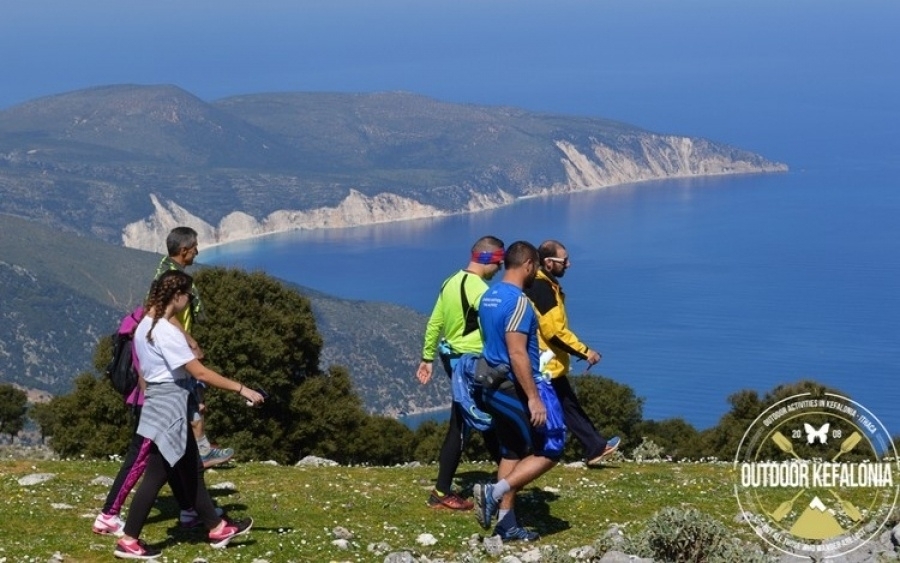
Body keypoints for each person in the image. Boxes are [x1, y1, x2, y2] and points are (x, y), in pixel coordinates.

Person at [113, 270, 265, 559]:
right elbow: (200, 371)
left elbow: (147, 372)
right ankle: (129, 540)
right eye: (189, 297)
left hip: (159, 401)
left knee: (188, 467)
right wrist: (242, 389)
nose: (190, 302)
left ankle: (217, 526)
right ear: (178, 296)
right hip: (171, 405)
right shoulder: (166, 332)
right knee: (156, 475)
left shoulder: (145, 325)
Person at [473, 241, 565, 542]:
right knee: (551, 448)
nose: (536, 271)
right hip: (515, 386)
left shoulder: (489, 296)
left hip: (491, 384)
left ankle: (506, 524)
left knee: (512, 451)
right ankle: (494, 491)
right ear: (528, 265)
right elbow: (517, 353)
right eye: (536, 266)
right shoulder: (519, 302)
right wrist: (534, 398)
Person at [416, 236, 505, 510]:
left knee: (485, 417)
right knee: (463, 424)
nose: (500, 269)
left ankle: (508, 474)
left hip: (452, 360)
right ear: (489, 259)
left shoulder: (450, 281)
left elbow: (435, 323)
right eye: (499, 263)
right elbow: (496, 328)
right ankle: (442, 492)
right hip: (474, 364)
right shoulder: (481, 290)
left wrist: (426, 357)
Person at [523, 240, 620, 467]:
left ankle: (595, 446)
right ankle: (535, 456)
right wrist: (585, 352)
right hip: (544, 361)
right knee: (555, 406)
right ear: (548, 263)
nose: (569, 264)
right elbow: (554, 331)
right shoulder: (542, 289)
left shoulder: (542, 285)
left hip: (544, 360)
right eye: (564, 261)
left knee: (567, 404)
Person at [155, 226, 234, 469]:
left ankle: (196, 450)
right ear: (184, 250)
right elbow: (165, 312)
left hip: (178, 343)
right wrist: (190, 340)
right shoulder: (170, 277)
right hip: (177, 345)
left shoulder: (168, 269)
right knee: (193, 397)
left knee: (196, 397)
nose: (198, 252)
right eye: (194, 248)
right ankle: (198, 452)